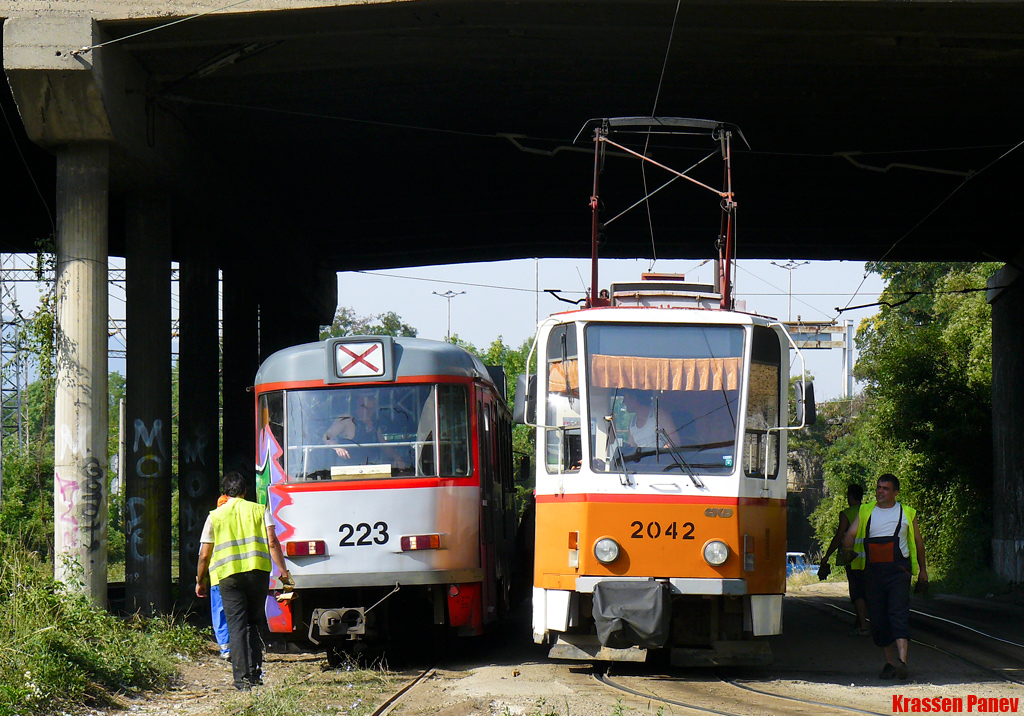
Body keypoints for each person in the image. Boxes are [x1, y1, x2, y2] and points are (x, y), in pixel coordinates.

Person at [196, 471, 292, 690]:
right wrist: (283, 573)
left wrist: (200, 580)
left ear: (225, 492)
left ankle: (242, 679)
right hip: (258, 573)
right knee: (255, 622)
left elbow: (204, 554)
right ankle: (256, 673)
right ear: (245, 491)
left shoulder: (215, 516)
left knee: (236, 626)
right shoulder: (260, 510)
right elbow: (273, 543)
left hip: (229, 577)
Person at [842, 473, 928, 681]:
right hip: (874, 572)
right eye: (879, 487)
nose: (881, 491)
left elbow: (918, 542)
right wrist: (847, 549)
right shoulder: (865, 511)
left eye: (886, 488)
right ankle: (890, 663)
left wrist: (923, 572)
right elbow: (850, 535)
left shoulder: (907, 513)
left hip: (899, 571)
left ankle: (902, 661)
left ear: (895, 493)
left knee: (898, 613)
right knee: (879, 619)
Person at [818, 483, 868, 635]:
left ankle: (863, 627)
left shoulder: (846, 514)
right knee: (870, 592)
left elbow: (840, 536)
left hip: (853, 559)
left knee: (858, 593)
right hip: (873, 559)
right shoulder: (870, 511)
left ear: (850, 497)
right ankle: (861, 621)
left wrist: (827, 555)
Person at [210, 493, 232, 659]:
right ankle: (240, 649)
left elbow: (203, 555)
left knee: (220, 614)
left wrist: (200, 579)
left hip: (217, 577)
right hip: (237, 574)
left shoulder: (214, 521)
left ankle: (226, 649)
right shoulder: (238, 524)